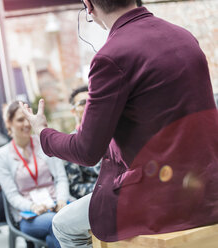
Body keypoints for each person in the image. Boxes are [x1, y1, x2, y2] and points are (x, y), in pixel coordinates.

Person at [20, 0, 218, 247]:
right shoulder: (184, 37)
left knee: (63, 225)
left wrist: (42, 133)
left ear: (88, 6)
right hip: (208, 188)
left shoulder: (111, 57)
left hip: (160, 199)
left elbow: (86, 150)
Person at [0, 101, 70, 248]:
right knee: (57, 224)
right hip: (30, 215)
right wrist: (32, 206)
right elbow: (12, 195)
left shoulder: (44, 142)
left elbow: (60, 178)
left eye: (28, 119)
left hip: (57, 205)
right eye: (20, 120)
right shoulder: (1, 155)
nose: (27, 124)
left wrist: (61, 200)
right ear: (9, 123)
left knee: (73, 221)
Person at [65, 86, 100, 199]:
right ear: (73, 111)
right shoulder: (71, 144)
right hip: (96, 199)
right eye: (82, 103)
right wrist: (105, 188)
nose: (88, 105)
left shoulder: (111, 133)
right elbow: (75, 187)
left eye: (91, 101)